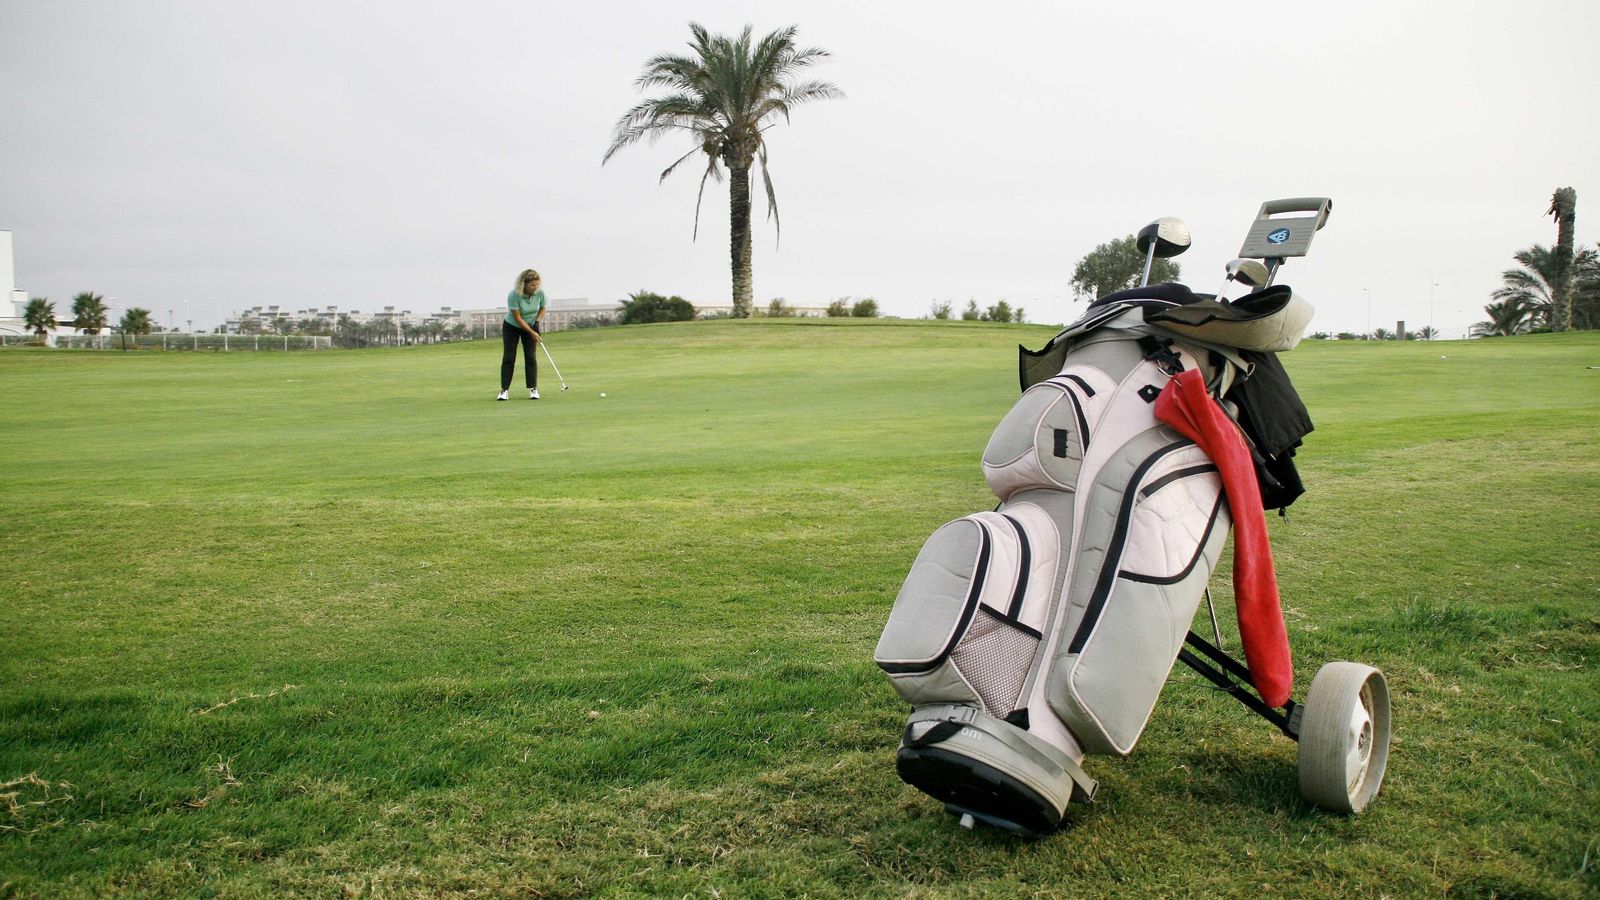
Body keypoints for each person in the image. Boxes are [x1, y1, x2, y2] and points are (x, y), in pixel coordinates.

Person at [499, 268, 546, 400]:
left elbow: (543, 308)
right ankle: (504, 390)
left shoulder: (540, 293)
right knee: (509, 357)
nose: (535, 287)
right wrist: (532, 332)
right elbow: (518, 318)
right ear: (524, 284)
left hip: (531, 324)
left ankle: (533, 389)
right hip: (512, 326)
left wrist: (536, 322)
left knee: (530, 357)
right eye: (532, 285)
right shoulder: (514, 295)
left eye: (537, 284)